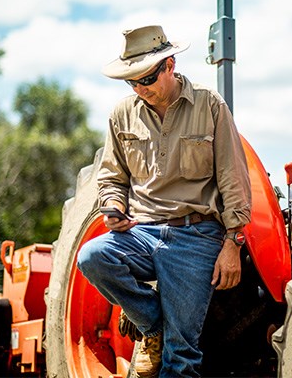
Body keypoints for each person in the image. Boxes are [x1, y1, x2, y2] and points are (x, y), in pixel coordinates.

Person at [77, 25, 252, 378]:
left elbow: (234, 176)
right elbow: (111, 177)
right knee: (92, 257)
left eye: (148, 79)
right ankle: (153, 326)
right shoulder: (122, 114)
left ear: (170, 65)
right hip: (143, 232)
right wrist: (113, 207)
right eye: (133, 82)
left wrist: (233, 242)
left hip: (196, 236)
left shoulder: (209, 104)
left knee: (181, 354)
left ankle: (165, 335)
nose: (141, 89)